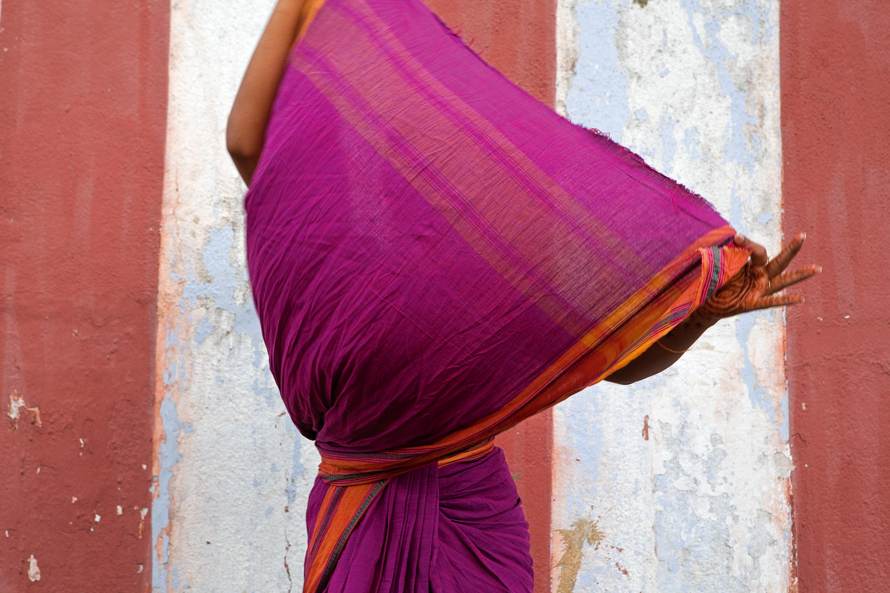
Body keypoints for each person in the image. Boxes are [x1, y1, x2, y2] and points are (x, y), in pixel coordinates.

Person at [226, 1, 821, 591]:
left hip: (466, 519)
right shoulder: (328, 239)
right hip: (372, 510)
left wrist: (701, 316)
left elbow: (614, 363)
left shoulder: (484, 244)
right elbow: (249, 146)